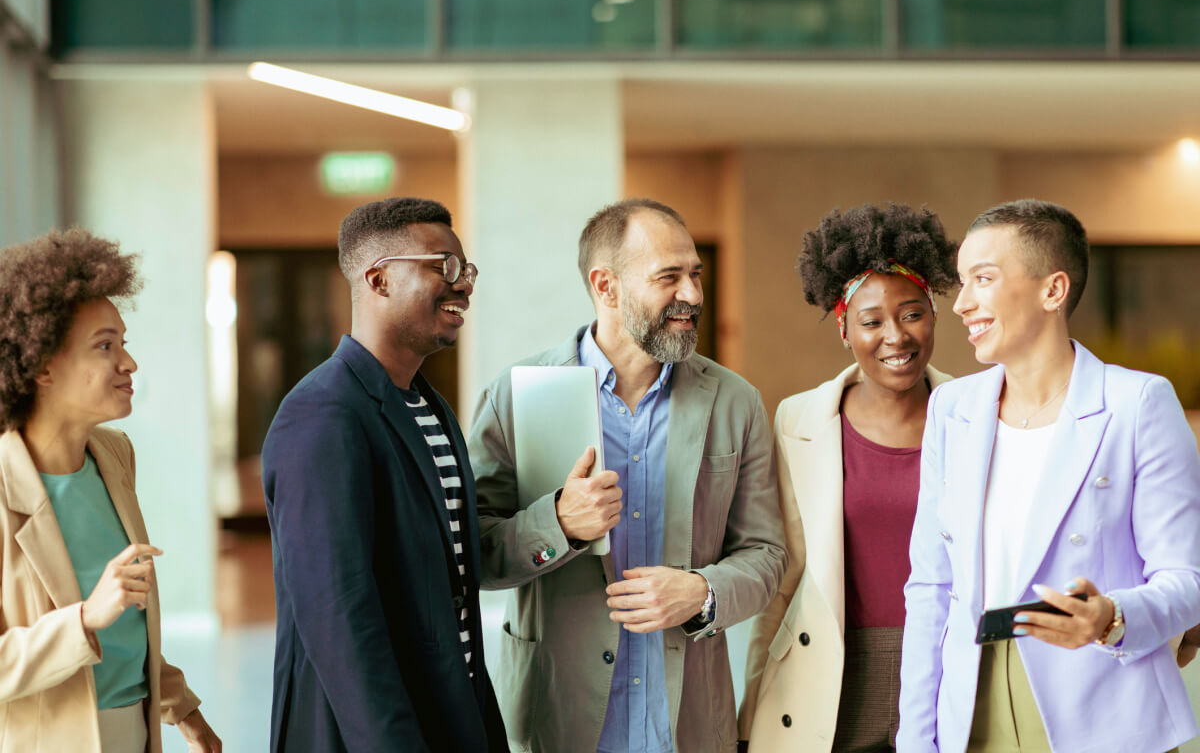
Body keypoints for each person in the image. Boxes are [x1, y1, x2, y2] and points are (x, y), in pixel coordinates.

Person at [468, 197, 787, 753]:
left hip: (687, 725)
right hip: (558, 722)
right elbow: (471, 552)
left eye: (695, 275)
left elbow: (766, 553)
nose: (692, 295)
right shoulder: (515, 395)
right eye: (669, 277)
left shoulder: (736, 403)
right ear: (605, 286)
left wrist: (702, 593)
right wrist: (558, 524)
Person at [898, 199, 1200, 753]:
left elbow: (1188, 579)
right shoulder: (952, 409)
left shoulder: (1137, 404)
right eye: (961, 283)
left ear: (1052, 290)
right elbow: (931, 587)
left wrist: (1111, 617)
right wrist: (916, 739)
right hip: (973, 708)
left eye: (982, 279)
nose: (962, 303)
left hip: (1108, 704)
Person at [261, 198, 506, 752]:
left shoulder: (428, 406)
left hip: (449, 710)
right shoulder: (322, 414)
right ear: (378, 279)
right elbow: (337, 618)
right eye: (442, 266)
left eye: (465, 271)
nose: (463, 286)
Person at [739, 204, 959, 752]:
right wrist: (750, 711)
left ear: (933, 313)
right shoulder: (799, 419)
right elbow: (784, 574)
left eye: (912, 313)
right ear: (843, 328)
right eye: (871, 321)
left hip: (948, 666)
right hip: (830, 673)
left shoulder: (976, 415)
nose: (896, 336)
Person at [0, 229, 220, 753]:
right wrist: (84, 618)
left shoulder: (115, 455)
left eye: (124, 342)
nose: (129, 363)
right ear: (42, 366)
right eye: (105, 346)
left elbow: (129, 627)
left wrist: (181, 708)